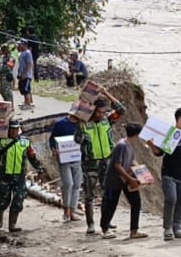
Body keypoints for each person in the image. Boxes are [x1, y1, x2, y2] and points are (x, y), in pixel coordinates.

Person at [0, 120, 48, 233]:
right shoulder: (1, 141)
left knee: (18, 200)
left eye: (16, 129)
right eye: (11, 129)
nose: (14, 131)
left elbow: (32, 157)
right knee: (3, 199)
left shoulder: (25, 142)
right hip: (4, 175)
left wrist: (40, 170)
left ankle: (12, 225)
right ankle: (0, 213)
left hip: (19, 176)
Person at [80, 97, 127, 237]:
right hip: (90, 164)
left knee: (108, 193)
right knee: (89, 195)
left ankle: (106, 221)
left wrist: (106, 93)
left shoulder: (107, 120)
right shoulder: (84, 125)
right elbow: (77, 140)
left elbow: (121, 110)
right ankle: (90, 224)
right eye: (98, 112)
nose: (101, 115)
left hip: (107, 162)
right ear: (93, 112)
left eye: (103, 112)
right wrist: (80, 127)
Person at [147, 107, 181, 242]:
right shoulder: (169, 134)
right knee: (171, 198)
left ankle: (177, 227)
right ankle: (167, 228)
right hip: (169, 172)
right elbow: (159, 153)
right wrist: (151, 145)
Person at [100, 123, 147, 239]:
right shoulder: (122, 145)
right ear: (137, 135)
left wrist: (142, 172)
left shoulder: (130, 145)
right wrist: (130, 179)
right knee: (111, 204)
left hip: (125, 179)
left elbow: (131, 161)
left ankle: (134, 230)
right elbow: (117, 165)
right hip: (115, 180)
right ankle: (104, 229)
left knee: (136, 202)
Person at [48, 111, 84, 222]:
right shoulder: (61, 124)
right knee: (68, 183)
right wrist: (54, 149)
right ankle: (66, 211)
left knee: (77, 184)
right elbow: (52, 139)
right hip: (64, 158)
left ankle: (72, 211)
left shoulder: (82, 124)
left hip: (77, 157)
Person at [15, 40, 35, 110]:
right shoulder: (21, 53)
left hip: (26, 75)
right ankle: (27, 102)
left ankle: (28, 104)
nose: (19, 46)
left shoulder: (28, 53)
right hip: (21, 73)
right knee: (22, 89)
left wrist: (26, 74)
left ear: (24, 45)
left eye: (20, 44)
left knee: (25, 89)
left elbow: (29, 64)